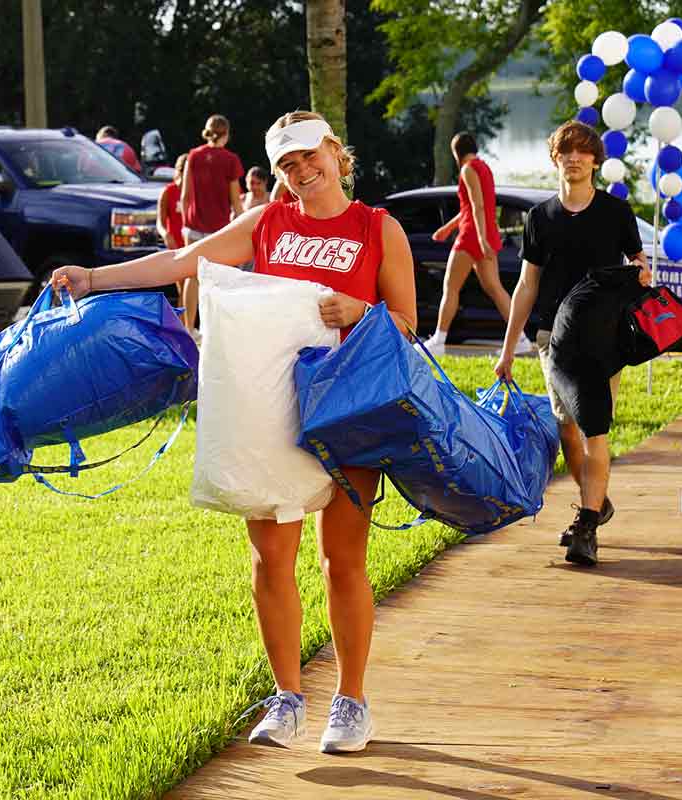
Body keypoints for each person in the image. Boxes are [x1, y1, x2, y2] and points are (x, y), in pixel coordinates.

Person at [52, 110, 416, 755]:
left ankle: (352, 702)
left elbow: (410, 329)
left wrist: (363, 312)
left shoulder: (378, 229)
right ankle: (287, 698)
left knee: (343, 563)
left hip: (350, 412)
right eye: (288, 165)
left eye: (310, 156)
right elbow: (182, 262)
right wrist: (92, 279)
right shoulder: (268, 223)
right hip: (270, 412)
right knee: (271, 559)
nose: (304, 172)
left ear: (336, 151)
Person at [493, 120, 648, 567]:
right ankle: (596, 501)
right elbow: (527, 283)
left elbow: (637, 264)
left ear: (596, 161)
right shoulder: (540, 217)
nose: (575, 158)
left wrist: (640, 274)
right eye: (567, 152)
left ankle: (586, 524)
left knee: (593, 428)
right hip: (550, 339)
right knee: (567, 429)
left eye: (584, 151)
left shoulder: (616, 213)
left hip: (604, 338)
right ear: (555, 160)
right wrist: (507, 351)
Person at [419, 131, 529, 356]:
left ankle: (439, 340)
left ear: (456, 152)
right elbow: (472, 208)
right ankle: (522, 339)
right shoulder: (484, 168)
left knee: (450, 287)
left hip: (471, 236)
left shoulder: (468, 170)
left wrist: (480, 239)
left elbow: (477, 207)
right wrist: (448, 228)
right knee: (495, 288)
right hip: (483, 232)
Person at [180, 114, 244, 332]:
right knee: (218, 281)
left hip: (193, 225)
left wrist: (184, 224)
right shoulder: (230, 160)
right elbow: (236, 202)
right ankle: (214, 330)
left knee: (192, 277)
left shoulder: (194, 156)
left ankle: (189, 329)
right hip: (219, 229)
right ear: (226, 134)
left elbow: (185, 195)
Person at [157, 154, 187, 251]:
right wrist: (165, 235)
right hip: (174, 247)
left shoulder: (198, 191)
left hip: (193, 242)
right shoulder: (168, 191)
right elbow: (160, 223)